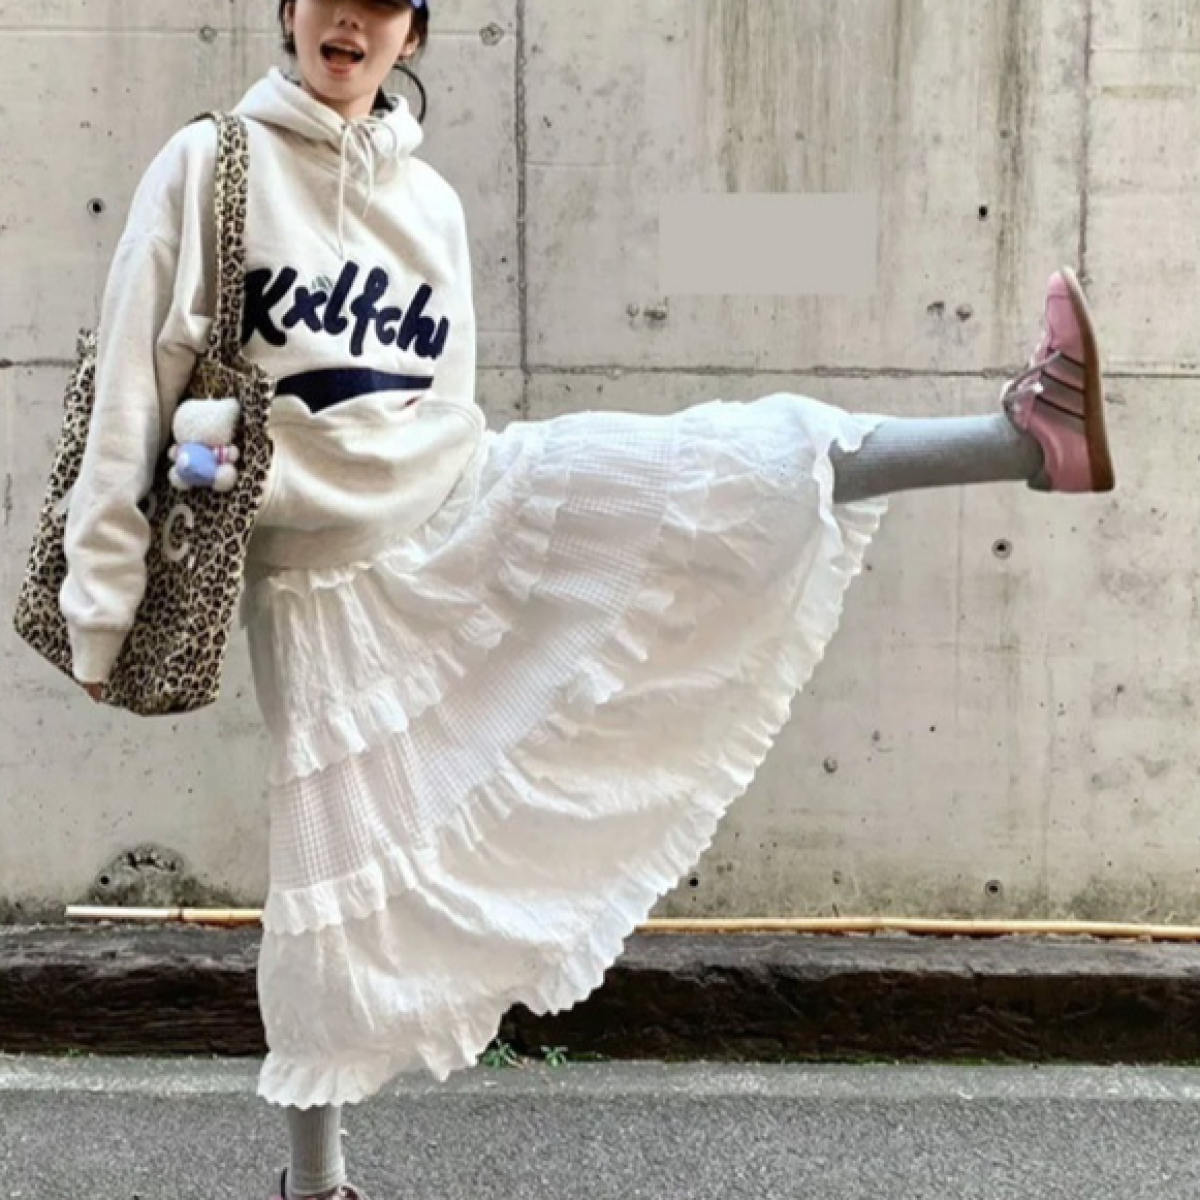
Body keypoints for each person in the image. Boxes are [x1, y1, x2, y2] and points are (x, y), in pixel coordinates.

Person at [58, 1, 1115, 1196]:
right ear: (290, 10)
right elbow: (131, 389)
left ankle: (1026, 438)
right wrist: (103, 606)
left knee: (713, 467)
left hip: (458, 508)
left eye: (386, 0)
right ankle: (317, 1183)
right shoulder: (209, 165)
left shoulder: (430, 203)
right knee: (334, 894)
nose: (350, 15)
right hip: (321, 585)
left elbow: (447, 403)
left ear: (414, 34)